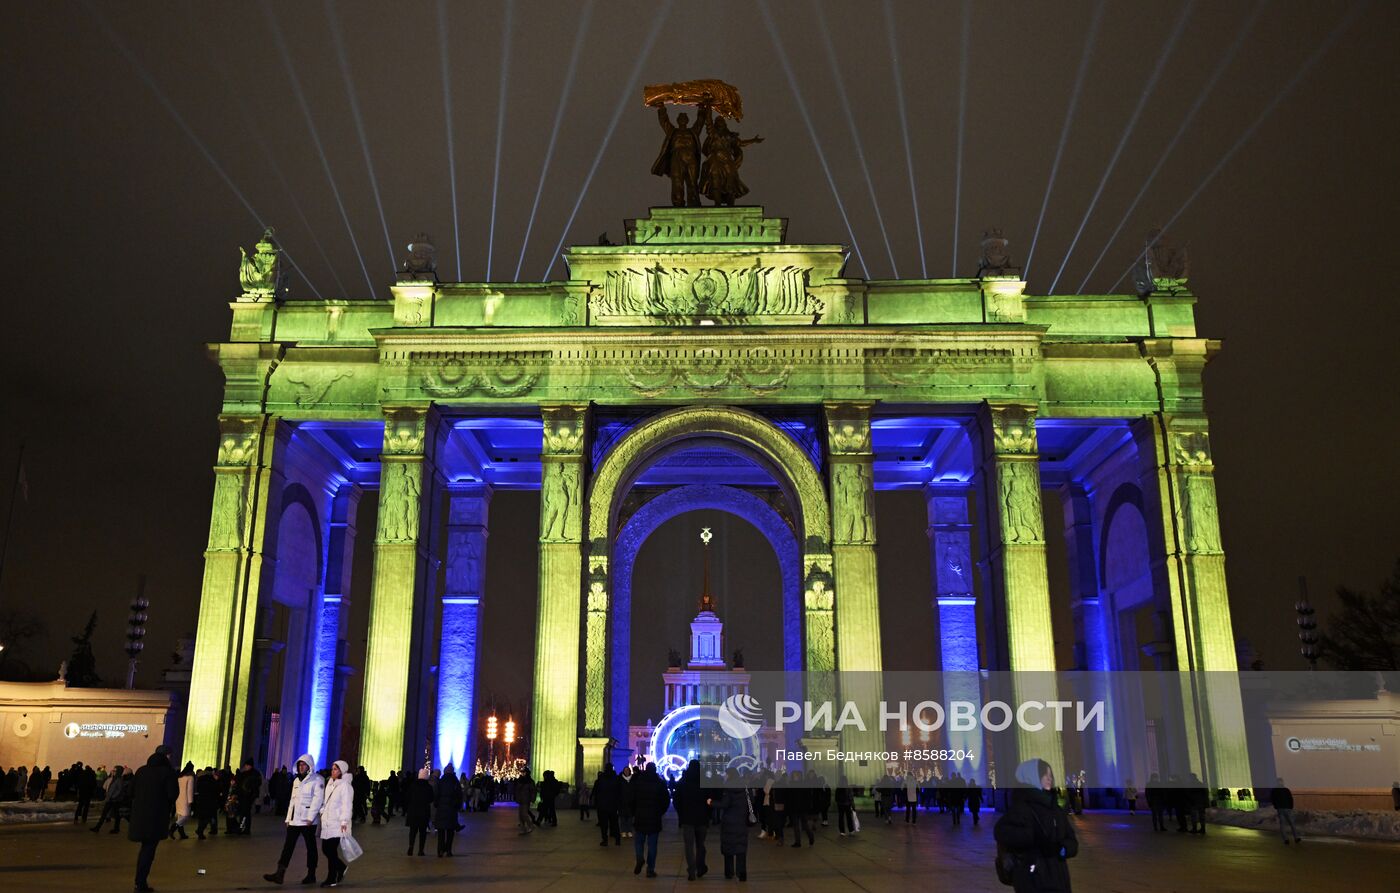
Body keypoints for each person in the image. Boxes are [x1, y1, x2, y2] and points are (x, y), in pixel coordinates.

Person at [994, 758, 1077, 893]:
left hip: (1058, 875)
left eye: (1051, 775)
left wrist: (1063, 849)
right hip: (1033, 876)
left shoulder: (1055, 807)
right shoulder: (1022, 807)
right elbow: (1001, 832)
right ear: (1032, 777)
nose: (1049, 778)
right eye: (1044, 774)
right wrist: (1032, 839)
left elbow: (1072, 840)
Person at [263, 754, 324, 884]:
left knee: (311, 847)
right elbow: (293, 801)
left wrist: (310, 817)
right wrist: (288, 818)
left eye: (304, 765)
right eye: (300, 765)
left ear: (309, 766)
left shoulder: (317, 780)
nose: (301, 767)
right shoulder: (296, 781)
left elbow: (317, 800)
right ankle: (280, 873)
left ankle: (311, 874)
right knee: (288, 846)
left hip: (308, 821)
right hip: (295, 820)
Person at [128, 746, 179, 893]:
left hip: (139, 816)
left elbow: (130, 791)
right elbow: (172, 794)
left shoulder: (141, 771)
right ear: (165, 757)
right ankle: (140, 882)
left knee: (145, 849)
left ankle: (140, 881)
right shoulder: (167, 772)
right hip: (156, 816)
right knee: (148, 850)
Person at [627, 762, 671, 877]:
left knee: (639, 842)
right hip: (654, 818)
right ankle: (650, 869)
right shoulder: (660, 783)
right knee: (652, 846)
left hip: (640, 817)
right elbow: (666, 800)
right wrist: (660, 812)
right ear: (655, 770)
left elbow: (631, 799)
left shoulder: (638, 782)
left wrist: (634, 813)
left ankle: (640, 858)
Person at [318, 761, 353, 888]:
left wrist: (344, 821)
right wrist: (322, 811)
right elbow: (325, 801)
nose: (333, 771)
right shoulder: (330, 783)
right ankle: (341, 867)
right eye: (332, 769)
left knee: (330, 850)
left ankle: (331, 878)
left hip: (337, 823)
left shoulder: (345, 786)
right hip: (327, 822)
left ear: (341, 771)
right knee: (326, 849)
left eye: (336, 769)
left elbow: (347, 805)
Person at [674, 760, 711, 880]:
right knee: (701, 844)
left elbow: (676, 800)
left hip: (687, 818)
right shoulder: (705, 782)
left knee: (689, 846)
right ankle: (700, 867)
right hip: (702, 818)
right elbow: (711, 800)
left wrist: (681, 814)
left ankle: (691, 870)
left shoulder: (683, 782)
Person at [717, 769, 752, 881]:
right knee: (741, 848)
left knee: (728, 848)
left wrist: (711, 803)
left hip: (729, 822)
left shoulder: (728, 789)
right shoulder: (745, 788)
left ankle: (729, 872)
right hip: (741, 821)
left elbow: (724, 804)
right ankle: (742, 874)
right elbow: (751, 802)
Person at [91, 766, 129, 833]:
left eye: (115, 771)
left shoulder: (119, 780)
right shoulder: (115, 779)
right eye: (113, 770)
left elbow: (119, 790)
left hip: (114, 800)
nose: (113, 772)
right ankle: (100, 827)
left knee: (111, 814)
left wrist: (113, 797)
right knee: (111, 814)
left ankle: (100, 827)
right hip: (111, 799)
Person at [405, 768, 433, 856]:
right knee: (422, 832)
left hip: (413, 811)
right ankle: (421, 850)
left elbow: (407, 797)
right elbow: (431, 798)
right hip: (424, 812)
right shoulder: (428, 787)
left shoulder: (413, 786)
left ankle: (411, 846)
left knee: (413, 831)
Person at [593, 765, 621, 846]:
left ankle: (605, 840)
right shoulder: (616, 778)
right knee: (615, 823)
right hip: (613, 804)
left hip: (603, 805)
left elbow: (597, 791)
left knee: (604, 825)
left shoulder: (601, 779)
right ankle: (617, 839)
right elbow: (619, 791)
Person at [1270, 778, 1301, 845]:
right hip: (1287, 808)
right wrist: (1291, 806)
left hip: (1280, 809)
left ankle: (1286, 839)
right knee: (1291, 823)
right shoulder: (1286, 790)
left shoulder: (1274, 790)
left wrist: (1276, 806)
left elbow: (1273, 799)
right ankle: (1296, 837)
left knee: (1282, 824)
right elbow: (1290, 798)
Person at [236, 759, 262, 835]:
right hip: (244, 795)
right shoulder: (246, 773)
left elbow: (257, 784)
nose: (245, 767)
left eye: (247, 765)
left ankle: (242, 828)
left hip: (248, 796)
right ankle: (245, 828)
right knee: (245, 813)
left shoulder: (254, 774)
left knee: (245, 813)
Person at [194, 768, 220, 839]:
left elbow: (198, 788)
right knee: (208, 817)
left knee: (201, 817)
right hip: (210, 801)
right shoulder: (212, 780)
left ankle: (200, 833)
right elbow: (216, 790)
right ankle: (200, 830)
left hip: (201, 800)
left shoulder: (200, 779)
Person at [171, 762, 194, 840]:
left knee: (180, 816)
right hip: (186, 799)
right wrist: (190, 801)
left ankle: (182, 834)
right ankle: (172, 829)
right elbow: (190, 790)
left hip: (179, 798)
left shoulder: (179, 777)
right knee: (185, 816)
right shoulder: (190, 777)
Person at [515, 767, 537, 835]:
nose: (522, 773)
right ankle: (523, 828)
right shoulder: (519, 780)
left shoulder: (530, 781)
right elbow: (517, 789)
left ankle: (530, 825)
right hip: (520, 799)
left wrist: (532, 799)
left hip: (526, 799)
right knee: (520, 815)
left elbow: (533, 791)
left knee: (524, 814)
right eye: (522, 772)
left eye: (524, 772)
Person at [618, 765, 635, 839]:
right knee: (623, 818)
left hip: (631, 802)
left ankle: (629, 830)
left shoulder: (633, 779)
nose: (626, 772)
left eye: (627, 770)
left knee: (630, 818)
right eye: (625, 770)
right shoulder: (620, 780)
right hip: (622, 802)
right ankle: (623, 831)